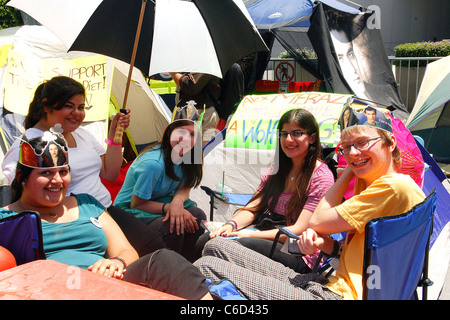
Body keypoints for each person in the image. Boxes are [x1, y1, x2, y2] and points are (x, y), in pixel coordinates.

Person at [194, 110, 426, 300]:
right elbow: (351, 251)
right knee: (216, 246)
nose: (353, 153)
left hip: (335, 293)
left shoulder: (392, 187)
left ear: (391, 143)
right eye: (346, 148)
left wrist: (345, 174)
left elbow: (314, 222)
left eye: (362, 143)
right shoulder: (373, 186)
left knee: (207, 264)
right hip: (329, 281)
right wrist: (325, 244)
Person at [1, 132, 212, 300]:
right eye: (45, 173)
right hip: (54, 290)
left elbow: (125, 250)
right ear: (22, 177)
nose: (57, 180)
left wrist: (117, 262)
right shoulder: (7, 220)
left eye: (63, 172)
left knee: (165, 261)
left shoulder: (87, 203)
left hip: (111, 282)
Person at [1, 76, 166, 256]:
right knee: (146, 251)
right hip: (78, 219)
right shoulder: (29, 144)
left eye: (81, 107)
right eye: (68, 106)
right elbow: (18, 192)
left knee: (154, 245)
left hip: (106, 209)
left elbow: (110, 173)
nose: (77, 113)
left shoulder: (82, 135)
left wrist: (115, 135)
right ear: (46, 107)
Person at [196, 108, 335, 273]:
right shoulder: (277, 168)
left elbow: (299, 230)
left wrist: (248, 234)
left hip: (298, 249)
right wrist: (231, 225)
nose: (289, 140)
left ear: (312, 138)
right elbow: (254, 207)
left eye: (296, 133)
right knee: (206, 240)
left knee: (236, 244)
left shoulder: (321, 177)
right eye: (284, 134)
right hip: (266, 232)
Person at [114, 119, 206, 262]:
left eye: (193, 134)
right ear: (170, 133)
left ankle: (190, 263)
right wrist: (169, 208)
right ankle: (168, 267)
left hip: (159, 201)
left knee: (197, 216)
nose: (186, 138)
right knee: (173, 225)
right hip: (129, 210)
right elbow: (136, 204)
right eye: (181, 132)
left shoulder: (188, 156)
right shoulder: (153, 164)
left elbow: (185, 186)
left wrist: (177, 202)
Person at [170, 72, 221, 143]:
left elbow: (190, 86)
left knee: (199, 151)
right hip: (191, 111)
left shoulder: (204, 63)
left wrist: (174, 73)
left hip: (201, 113)